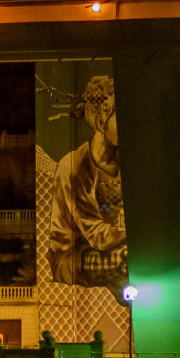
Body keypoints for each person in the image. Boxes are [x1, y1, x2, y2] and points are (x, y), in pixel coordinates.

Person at [47, 75, 128, 303]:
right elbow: (98, 238)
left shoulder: (124, 161)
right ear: (101, 120)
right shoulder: (74, 167)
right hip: (74, 256)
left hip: (115, 243)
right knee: (128, 258)